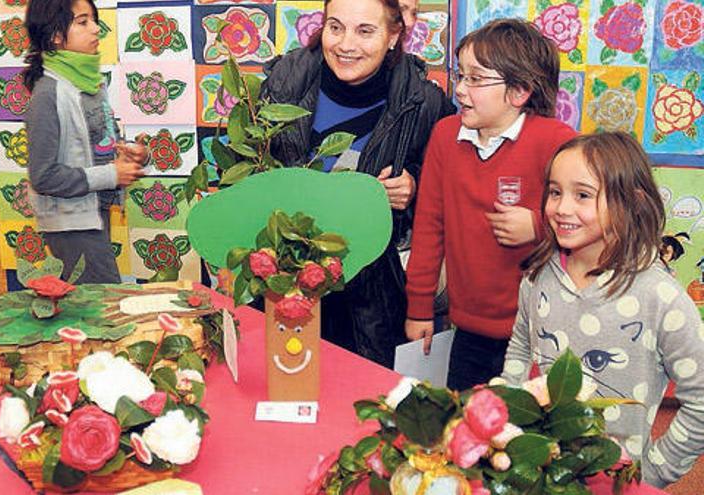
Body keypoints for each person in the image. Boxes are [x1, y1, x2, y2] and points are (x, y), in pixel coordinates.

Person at [500, 132, 704, 488]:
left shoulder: (659, 296)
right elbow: (520, 345)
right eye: (554, 191)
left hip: (618, 481)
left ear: (632, 202)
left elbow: (701, 399)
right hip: (543, 474)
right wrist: (508, 421)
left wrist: (654, 471)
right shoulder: (538, 278)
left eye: (582, 195)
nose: (562, 208)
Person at [260, 0, 454, 368]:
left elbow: (450, 194)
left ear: (394, 34)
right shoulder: (283, 86)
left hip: (373, 305)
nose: (346, 44)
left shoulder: (423, 103)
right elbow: (249, 177)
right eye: (336, 27)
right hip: (286, 290)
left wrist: (414, 188)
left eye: (365, 31)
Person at [404, 19, 576, 390]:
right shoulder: (446, 135)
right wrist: (419, 308)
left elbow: (600, 216)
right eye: (460, 75)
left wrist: (538, 226)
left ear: (519, 92)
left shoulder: (557, 141)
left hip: (540, 334)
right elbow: (429, 224)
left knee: (530, 435)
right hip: (466, 329)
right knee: (466, 428)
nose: (461, 89)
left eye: (476, 79)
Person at [23, 0, 147, 283]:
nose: (95, 29)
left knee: (95, 308)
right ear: (55, 35)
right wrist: (112, 173)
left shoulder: (90, 83)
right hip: (70, 224)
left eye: (93, 20)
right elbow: (43, 176)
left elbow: (100, 145)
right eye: (82, 22)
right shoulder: (48, 95)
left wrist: (132, 154)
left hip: (92, 213)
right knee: (102, 309)